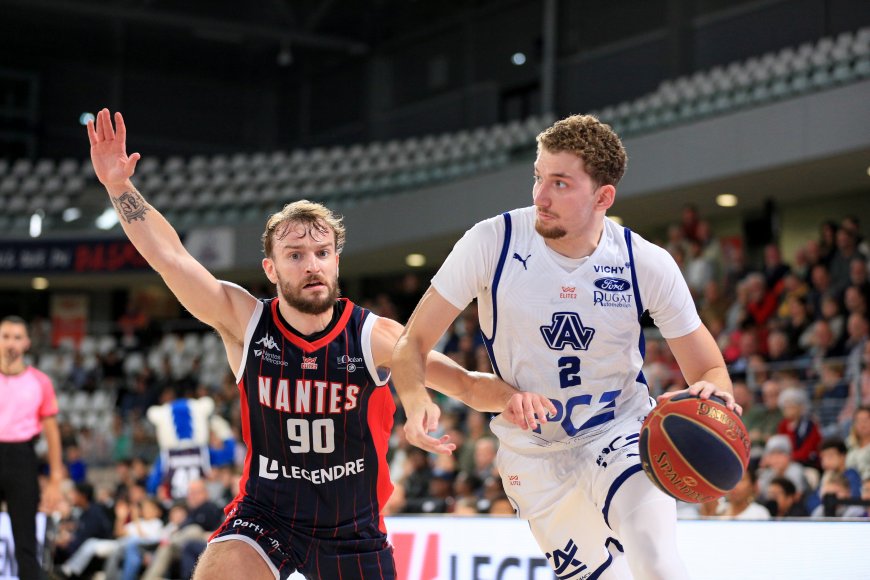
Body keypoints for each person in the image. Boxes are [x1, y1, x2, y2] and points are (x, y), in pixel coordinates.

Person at [87, 108, 550, 580]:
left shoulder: (374, 337)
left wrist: (516, 397)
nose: (312, 265)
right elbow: (172, 259)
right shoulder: (246, 322)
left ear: (336, 261)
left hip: (353, 529)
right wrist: (119, 187)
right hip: (266, 517)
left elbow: (468, 385)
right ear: (271, 269)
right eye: (295, 255)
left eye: (322, 254)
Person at [392, 114, 740, 580]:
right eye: (538, 177)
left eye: (559, 183)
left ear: (603, 197)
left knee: (656, 561)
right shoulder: (491, 243)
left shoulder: (646, 263)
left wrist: (716, 396)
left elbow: (710, 370)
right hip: (534, 454)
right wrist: (416, 402)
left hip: (619, 429)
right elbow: (410, 343)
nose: (540, 195)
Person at [0, 315, 64, 580]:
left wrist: (55, 478)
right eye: (5, 336)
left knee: (26, 544)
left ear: (26, 343)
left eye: (17, 337)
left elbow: (51, 431)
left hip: (22, 458)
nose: (10, 343)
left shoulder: (40, 382)